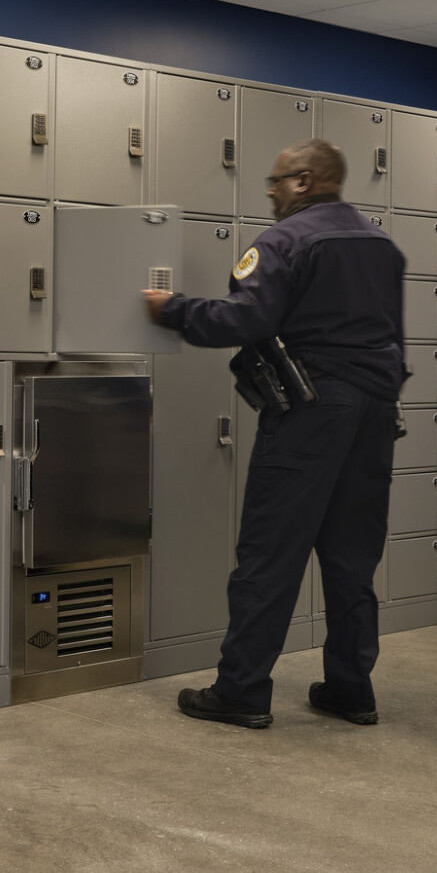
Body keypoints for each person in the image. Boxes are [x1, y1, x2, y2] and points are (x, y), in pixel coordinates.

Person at [143, 138, 405, 729]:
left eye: (277, 180)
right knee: (351, 558)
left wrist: (174, 309)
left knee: (270, 552)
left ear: (306, 181)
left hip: (311, 411)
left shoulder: (286, 240)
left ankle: (240, 690)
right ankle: (351, 688)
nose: (269, 190)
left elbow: (247, 318)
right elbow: (391, 334)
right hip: (374, 411)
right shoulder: (380, 243)